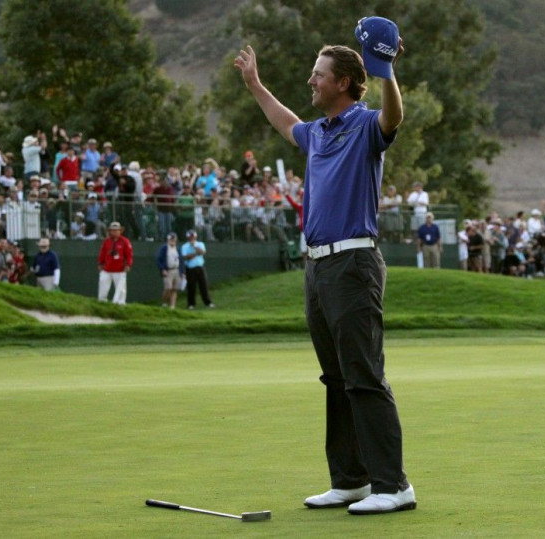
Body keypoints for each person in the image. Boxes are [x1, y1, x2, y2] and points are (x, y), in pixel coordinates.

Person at [234, 15, 415, 515]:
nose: (311, 79)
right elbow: (285, 121)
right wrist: (254, 84)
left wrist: (386, 71)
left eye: (318, 73)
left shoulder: (364, 125)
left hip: (354, 261)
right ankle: (350, 480)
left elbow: (392, 118)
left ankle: (393, 485)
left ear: (342, 83)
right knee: (335, 378)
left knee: (363, 374)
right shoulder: (318, 133)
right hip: (317, 267)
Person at [97, 221, 133, 304]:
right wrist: (100, 263)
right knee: (103, 286)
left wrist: (128, 265)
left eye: (117, 230)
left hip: (120, 270)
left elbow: (129, 255)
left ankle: (120, 304)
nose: (115, 232)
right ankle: (102, 302)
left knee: (121, 289)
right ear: (110, 231)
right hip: (107, 269)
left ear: (120, 231)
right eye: (113, 230)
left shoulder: (125, 241)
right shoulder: (106, 241)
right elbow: (102, 253)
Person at [180, 229, 214, 309]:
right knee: (191, 287)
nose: (192, 238)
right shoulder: (185, 246)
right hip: (190, 268)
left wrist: (195, 246)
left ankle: (208, 302)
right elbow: (185, 257)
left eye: (193, 236)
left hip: (200, 267)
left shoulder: (200, 244)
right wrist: (195, 254)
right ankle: (191, 304)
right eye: (190, 236)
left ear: (195, 236)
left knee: (204, 285)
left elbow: (202, 252)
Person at [156, 232, 185, 309]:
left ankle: (172, 306)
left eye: (173, 239)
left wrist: (182, 272)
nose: (172, 241)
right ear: (168, 240)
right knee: (168, 288)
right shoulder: (164, 248)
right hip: (168, 270)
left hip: (177, 270)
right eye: (171, 239)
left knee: (175, 289)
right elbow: (158, 259)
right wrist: (162, 269)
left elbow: (181, 260)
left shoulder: (178, 248)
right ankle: (164, 302)